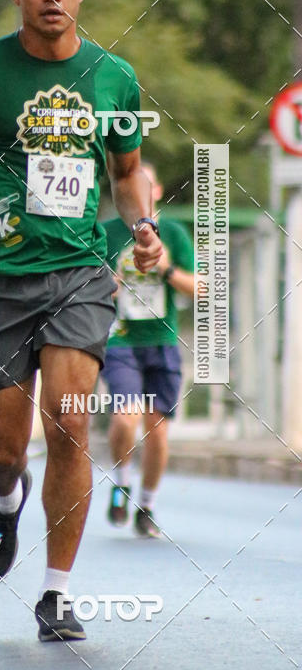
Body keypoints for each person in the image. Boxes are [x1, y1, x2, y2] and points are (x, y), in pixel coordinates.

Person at [0, 0, 162, 641]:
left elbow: (125, 176)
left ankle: (56, 592)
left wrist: (142, 224)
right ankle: (7, 496)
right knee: (1, 448)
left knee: (68, 419)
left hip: (80, 274)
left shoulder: (115, 77)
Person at [102, 161, 195, 537]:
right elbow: (87, 286)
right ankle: (122, 480)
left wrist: (168, 271)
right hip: (120, 339)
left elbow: (200, 287)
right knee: (125, 417)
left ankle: (148, 505)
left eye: (148, 186)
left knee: (157, 432)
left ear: (155, 193)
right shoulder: (106, 233)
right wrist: (112, 282)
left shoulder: (172, 232)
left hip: (162, 342)